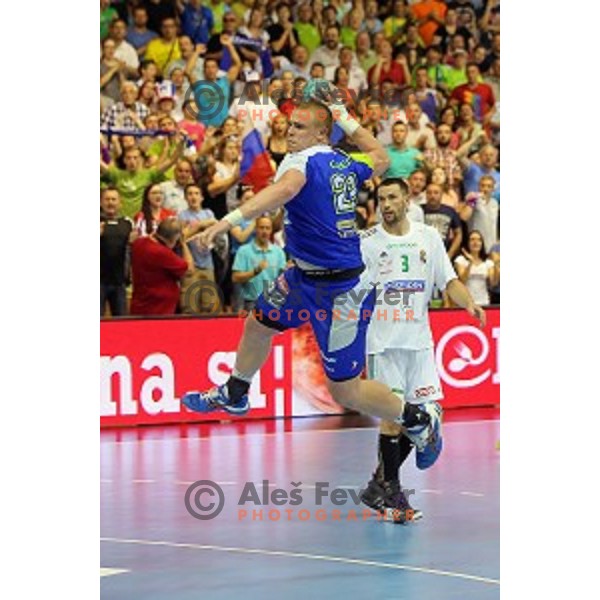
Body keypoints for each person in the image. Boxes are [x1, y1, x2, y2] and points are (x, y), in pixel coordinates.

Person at [181, 84, 444, 471]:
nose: (290, 132)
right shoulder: (343, 161)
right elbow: (381, 156)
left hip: (342, 293)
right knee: (257, 325)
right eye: (289, 125)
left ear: (320, 133)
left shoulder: (300, 163)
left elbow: (281, 191)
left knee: (346, 390)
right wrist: (344, 116)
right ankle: (236, 391)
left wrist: (227, 221)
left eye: (300, 127)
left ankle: (420, 420)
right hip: (303, 278)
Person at [359, 178, 485, 522]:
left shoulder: (427, 237)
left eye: (392, 198)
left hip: (420, 344)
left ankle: (376, 485)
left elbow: (449, 281)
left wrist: (469, 305)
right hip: (383, 344)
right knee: (393, 420)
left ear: (406, 200)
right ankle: (393, 497)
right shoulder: (366, 243)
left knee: (425, 421)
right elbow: (350, 294)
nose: (385, 204)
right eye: (381, 199)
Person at [130, 217, 194, 315]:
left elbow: (150, 237)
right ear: (174, 239)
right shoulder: (162, 253)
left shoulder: (139, 243)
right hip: (158, 309)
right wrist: (183, 243)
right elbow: (189, 269)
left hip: (140, 304)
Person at [178, 183, 221, 313]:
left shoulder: (208, 213)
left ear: (202, 197)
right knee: (190, 305)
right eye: (190, 194)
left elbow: (216, 227)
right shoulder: (182, 216)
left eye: (196, 194)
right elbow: (182, 237)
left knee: (209, 304)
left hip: (208, 264)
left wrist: (194, 228)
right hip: (191, 266)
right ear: (185, 198)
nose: (193, 197)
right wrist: (201, 226)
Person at [232, 215, 287, 312]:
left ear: (271, 230)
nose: (264, 231)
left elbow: (282, 280)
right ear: (256, 229)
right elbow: (235, 277)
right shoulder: (244, 251)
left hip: (273, 303)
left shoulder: (279, 252)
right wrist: (255, 271)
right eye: (261, 228)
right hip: (250, 303)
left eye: (267, 228)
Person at [100, 187, 136, 317]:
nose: (110, 203)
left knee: (122, 322)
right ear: (100, 202)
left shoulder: (128, 223)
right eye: (107, 199)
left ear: (120, 203)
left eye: (114, 199)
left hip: (119, 282)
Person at [454, 230, 497, 306]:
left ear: (482, 243)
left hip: (484, 302)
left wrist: (497, 265)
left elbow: (492, 283)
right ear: (467, 243)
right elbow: (462, 280)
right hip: (465, 303)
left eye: (479, 240)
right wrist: (470, 263)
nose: (475, 242)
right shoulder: (460, 260)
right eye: (472, 239)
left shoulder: (488, 262)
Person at [423, 182, 462, 259]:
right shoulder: (419, 210)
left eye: (436, 193)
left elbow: (459, 233)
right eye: (429, 193)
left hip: (443, 253)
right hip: (423, 253)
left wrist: (450, 253)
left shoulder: (450, 211)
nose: (432, 196)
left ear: (442, 195)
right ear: (426, 195)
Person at [459, 174, 499, 251]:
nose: (485, 189)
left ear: (493, 188)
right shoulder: (474, 200)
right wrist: (472, 201)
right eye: (483, 186)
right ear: (478, 187)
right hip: (476, 246)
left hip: (492, 247)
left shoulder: (495, 203)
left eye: (489, 186)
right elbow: (463, 217)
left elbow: (494, 225)